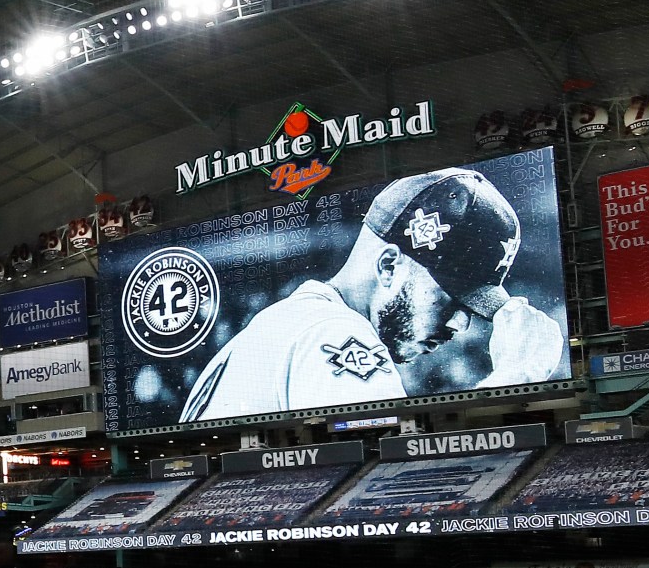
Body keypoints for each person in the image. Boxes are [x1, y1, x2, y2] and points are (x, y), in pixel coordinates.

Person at [179, 167, 565, 423]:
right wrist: (515, 379)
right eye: (451, 296)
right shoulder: (332, 333)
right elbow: (393, 489)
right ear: (388, 266)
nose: (459, 324)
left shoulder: (287, 324)